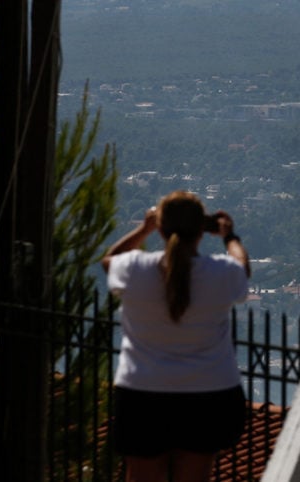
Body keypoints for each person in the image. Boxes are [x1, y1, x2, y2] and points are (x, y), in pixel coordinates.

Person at [102, 191, 251, 482]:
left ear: (160, 227)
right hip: (208, 394)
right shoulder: (221, 273)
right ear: (201, 231)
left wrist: (143, 229)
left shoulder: (135, 268)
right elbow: (242, 267)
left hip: (143, 393)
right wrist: (230, 236)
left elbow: (109, 260)